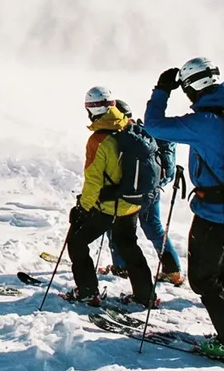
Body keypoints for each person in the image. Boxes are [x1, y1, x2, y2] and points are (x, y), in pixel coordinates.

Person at [144, 57, 224, 362]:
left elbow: (154, 126)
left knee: (203, 278)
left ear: (191, 87)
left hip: (215, 214)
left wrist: (161, 91)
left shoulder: (204, 123)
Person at [62, 87, 160, 309]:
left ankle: (88, 292)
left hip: (108, 206)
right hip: (131, 203)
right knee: (128, 245)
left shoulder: (98, 140)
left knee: (77, 242)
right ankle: (145, 295)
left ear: (91, 110)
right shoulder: (130, 127)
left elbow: (93, 180)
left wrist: (82, 208)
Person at [106, 98, 185, 286]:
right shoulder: (147, 134)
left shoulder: (122, 137)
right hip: (151, 191)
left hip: (130, 195)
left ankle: (121, 266)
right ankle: (173, 270)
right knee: (154, 228)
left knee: (116, 229)